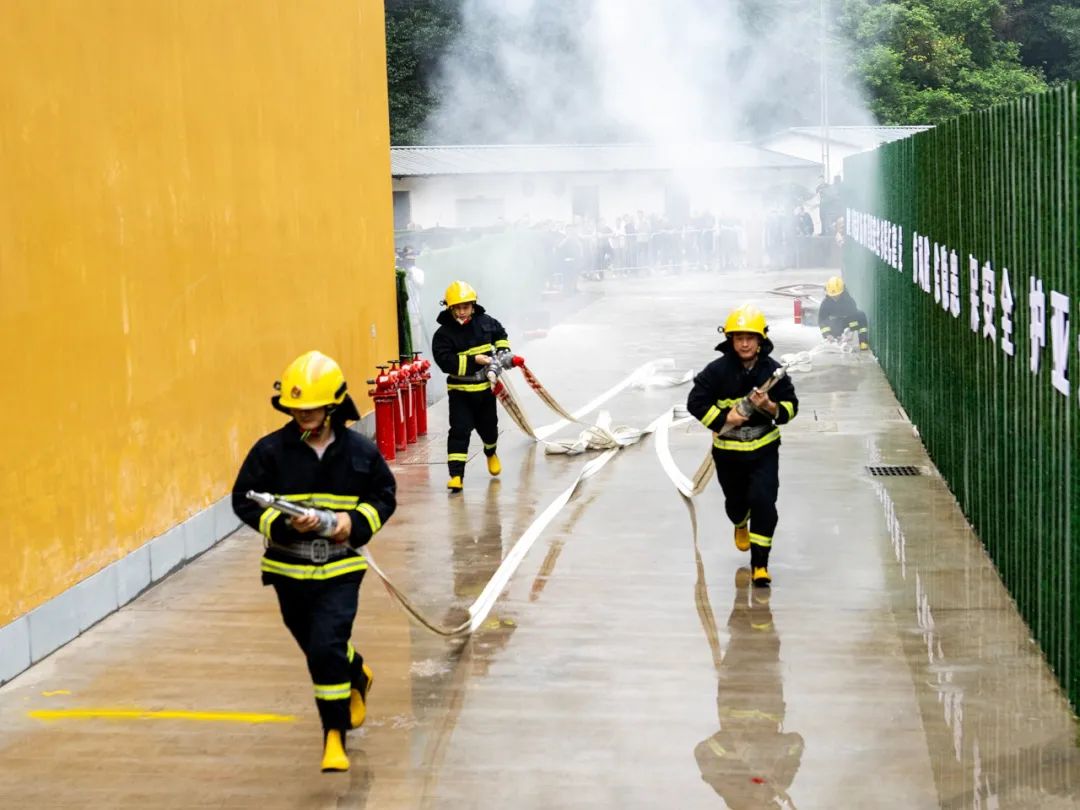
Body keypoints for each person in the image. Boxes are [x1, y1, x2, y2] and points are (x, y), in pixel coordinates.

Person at [232, 350, 397, 773]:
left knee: (325, 646)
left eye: (311, 408)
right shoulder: (271, 452)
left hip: (340, 570)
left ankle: (333, 735)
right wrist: (284, 526)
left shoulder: (359, 451)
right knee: (318, 647)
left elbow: (384, 496)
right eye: (296, 408)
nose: (303, 415)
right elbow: (243, 501)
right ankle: (357, 673)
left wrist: (354, 523)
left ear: (333, 405)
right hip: (288, 573)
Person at [686, 304, 799, 587]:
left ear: (761, 339)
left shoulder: (773, 372)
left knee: (764, 502)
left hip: (764, 450)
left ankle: (760, 565)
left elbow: (791, 408)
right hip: (728, 453)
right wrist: (726, 418)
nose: (745, 343)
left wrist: (771, 407)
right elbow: (695, 402)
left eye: (750, 337)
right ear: (731, 340)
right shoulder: (716, 371)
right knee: (736, 504)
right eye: (739, 338)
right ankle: (739, 523)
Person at [431, 280, 512, 492]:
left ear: (473, 305)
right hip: (460, 393)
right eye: (456, 307)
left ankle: (490, 453)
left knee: (489, 429)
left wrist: (503, 353)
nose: (461, 312)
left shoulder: (486, 322)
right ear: (449, 308)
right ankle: (456, 476)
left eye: (465, 307)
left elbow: (501, 334)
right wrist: (474, 360)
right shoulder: (443, 335)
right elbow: (445, 362)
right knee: (459, 432)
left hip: (485, 392)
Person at [818, 275, 868, 350]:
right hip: (835, 326)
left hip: (848, 324)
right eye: (832, 296)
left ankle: (863, 342)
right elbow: (821, 320)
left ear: (842, 291)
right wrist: (827, 334)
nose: (835, 297)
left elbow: (853, 316)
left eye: (837, 295)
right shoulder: (825, 304)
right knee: (831, 326)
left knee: (861, 315)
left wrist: (850, 332)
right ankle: (836, 340)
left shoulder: (849, 301)